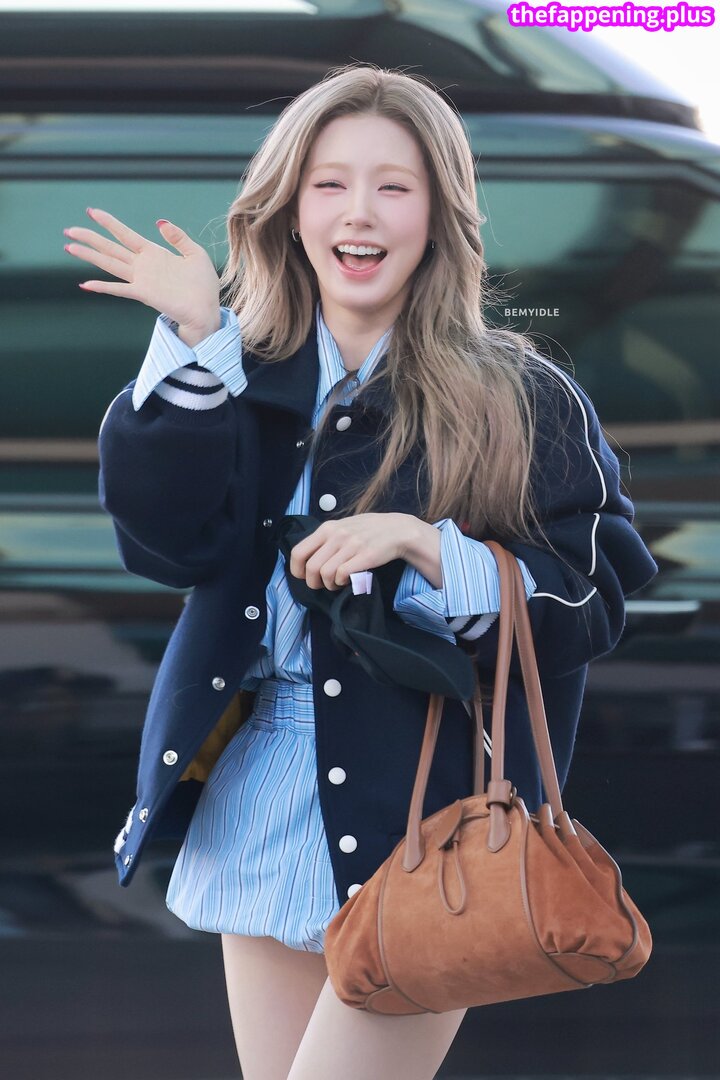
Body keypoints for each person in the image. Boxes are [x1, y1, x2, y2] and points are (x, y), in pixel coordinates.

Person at [64, 63, 658, 1080]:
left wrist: (427, 546)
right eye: (330, 183)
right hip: (260, 793)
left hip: (431, 817)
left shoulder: (522, 397)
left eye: (395, 185)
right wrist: (197, 344)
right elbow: (167, 545)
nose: (360, 212)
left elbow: (591, 597)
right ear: (289, 210)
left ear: (440, 215)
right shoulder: (234, 370)